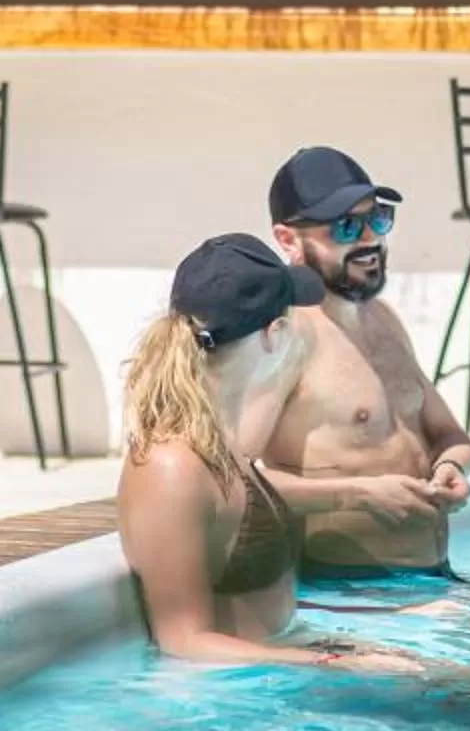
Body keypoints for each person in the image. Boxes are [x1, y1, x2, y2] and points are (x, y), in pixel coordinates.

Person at [117, 233, 421, 672]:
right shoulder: (171, 466)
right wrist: (332, 661)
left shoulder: (217, 444)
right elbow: (182, 642)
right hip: (240, 698)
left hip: (278, 662)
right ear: (273, 334)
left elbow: (232, 515)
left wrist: (359, 494)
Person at [254, 146, 470, 606]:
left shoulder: (383, 321)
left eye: (378, 219)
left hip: (432, 582)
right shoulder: (281, 337)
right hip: (348, 596)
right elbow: (231, 483)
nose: (369, 238)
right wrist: (359, 495)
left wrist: (450, 468)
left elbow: (448, 434)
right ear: (287, 239)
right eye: (346, 226)